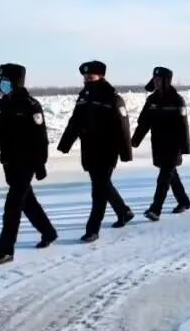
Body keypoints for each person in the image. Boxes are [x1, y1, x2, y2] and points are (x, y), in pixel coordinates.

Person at [0, 63, 58, 264]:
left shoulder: (31, 105)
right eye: (2, 81)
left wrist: (40, 164)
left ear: (16, 82)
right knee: (27, 201)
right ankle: (49, 232)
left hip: (26, 162)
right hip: (9, 162)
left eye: (7, 81)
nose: (3, 85)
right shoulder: (2, 105)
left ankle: (5, 250)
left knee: (12, 206)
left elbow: (41, 138)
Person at [56, 60, 135, 243]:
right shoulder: (84, 96)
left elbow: (123, 127)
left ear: (101, 76)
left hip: (107, 150)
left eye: (90, 77)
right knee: (102, 184)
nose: (87, 80)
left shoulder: (112, 98)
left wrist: (125, 153)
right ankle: (123, 211)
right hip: (89, 150)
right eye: (85, 77)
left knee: (99, 189)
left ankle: (93, 230)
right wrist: (65, 143)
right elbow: (75, 121)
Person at [131, 66, 190, 220]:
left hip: (174, 145)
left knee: (164, 176)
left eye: (159, 79)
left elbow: (183, 125)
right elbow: (144, 123)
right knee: (170, 174)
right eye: (155, 79)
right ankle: (184, 201)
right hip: (158, 144)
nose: (157, 82)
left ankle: (155, 209)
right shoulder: (152, 100)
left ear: (167, 81)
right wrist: (134, 141)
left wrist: (185, 147)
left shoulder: (177, 100)